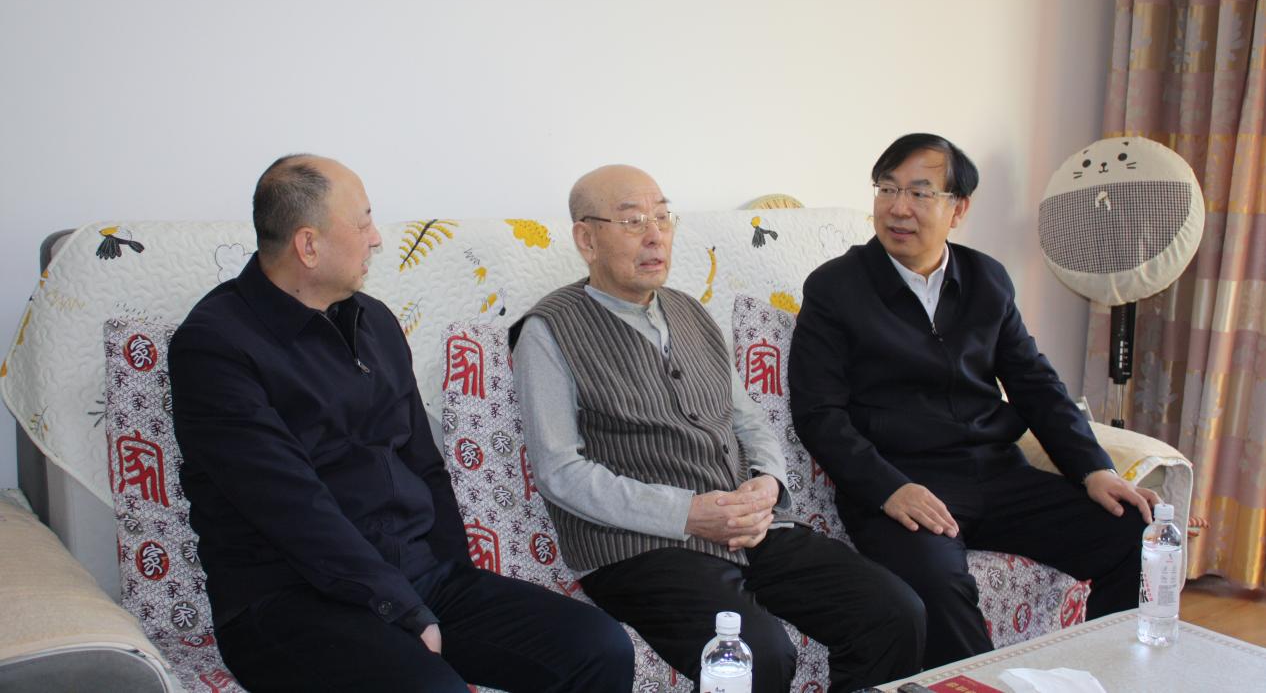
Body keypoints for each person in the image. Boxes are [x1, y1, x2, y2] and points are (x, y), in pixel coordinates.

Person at [170, 155, 633, 693]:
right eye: (363, 222)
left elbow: (423, 465)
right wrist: (401, 607)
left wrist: (454, 580)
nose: (376, 239)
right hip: (289, 599)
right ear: (308, 245)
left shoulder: (375, 321)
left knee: (598, 646)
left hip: (415, 576)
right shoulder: (216, 346)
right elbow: (291, 507)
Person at [511, 164, 925, 693]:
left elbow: (747, 418)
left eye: (663, 217)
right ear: (586, 239)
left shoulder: (691, 312)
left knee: (894, 612)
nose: (655, 235)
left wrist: (768, 483)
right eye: (633, 221)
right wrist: (686, 513)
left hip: (747, 530)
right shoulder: (548, 330)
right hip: (639, 549)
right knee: (755, 656)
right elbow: (560, 472)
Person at [789, 134, 1160, 668]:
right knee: (935, 587)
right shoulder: (835, 288)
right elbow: (819, 414)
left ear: (958, 209)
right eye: (887, 189)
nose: (898, 208)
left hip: (997, 475)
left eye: (920, 193)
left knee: (1137, 534)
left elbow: (1035, 383)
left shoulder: (986, 279)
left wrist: (1093, 469)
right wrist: (888, 489)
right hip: (904, 482)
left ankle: (1101, 675)